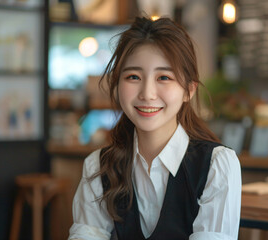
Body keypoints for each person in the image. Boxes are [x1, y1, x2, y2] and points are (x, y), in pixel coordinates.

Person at [69, 16, 241, 240]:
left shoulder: (216, 167)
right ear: (117, 85)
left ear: (189, 90)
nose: (147, 93)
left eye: (163, 77)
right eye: (133, 76)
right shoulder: (99, 167)